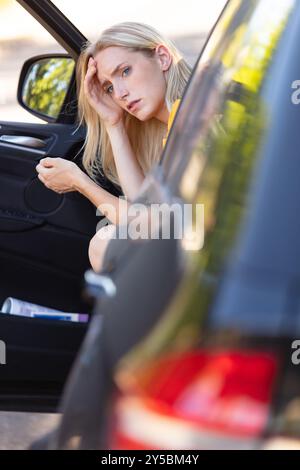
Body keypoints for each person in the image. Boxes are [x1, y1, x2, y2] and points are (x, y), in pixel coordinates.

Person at [35, 22, 192, 272]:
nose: (119, 93)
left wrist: (80, 182)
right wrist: (114, 123)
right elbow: (146, 209)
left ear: (162, 58)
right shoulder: (177, 124)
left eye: (125, 71)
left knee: (105, 242)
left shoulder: (190, 124)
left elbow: (149, 227)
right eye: (108, 87)